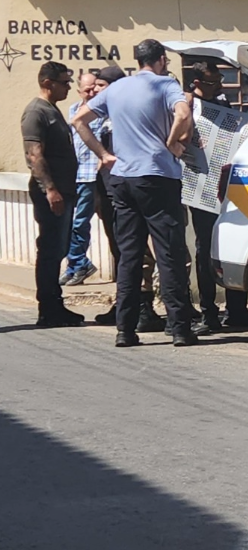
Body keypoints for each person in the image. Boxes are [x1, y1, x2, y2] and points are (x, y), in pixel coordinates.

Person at [72, 40, 196, 348]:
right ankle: (180, 328)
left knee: (129, 255)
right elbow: (183, 113)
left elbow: (78, 120)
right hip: (157, 176)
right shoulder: (165, 85)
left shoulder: (116, 88)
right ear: (162, 60)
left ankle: (125, 330)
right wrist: (171, 142)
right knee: (169, 253)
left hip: (122, 178)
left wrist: (103, 154)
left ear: (138, 60)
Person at [23, 62, 114, 327]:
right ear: (48, 83)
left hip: (65, 189)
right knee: (51, 249)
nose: (68, 87)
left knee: (59, 247)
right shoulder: (36, 112)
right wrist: (50, 189)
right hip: (52, 192)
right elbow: (34, 155)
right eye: (64, 82)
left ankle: (54, 304)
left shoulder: (52, 110)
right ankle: (49, 308)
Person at [89, 66, 167, 332]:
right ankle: (126, 307)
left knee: (141, 253)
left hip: (132, 189)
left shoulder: (126, 115)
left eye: (100, 86)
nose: (95, 91)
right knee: (123, 253)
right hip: (111, 191)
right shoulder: (104, 116)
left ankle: (144, 308)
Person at [185, 61, 248, 334]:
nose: (219, 87)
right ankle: (209, 312)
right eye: (212, 83)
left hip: (227, 186)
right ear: (197, 83)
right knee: (205, 248)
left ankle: (237, 310)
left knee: (232, 244)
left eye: (220, 81)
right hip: (201, 188)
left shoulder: (224, 105)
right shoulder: (187, 107)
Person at [60, 73, 103, 287]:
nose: (92, 92)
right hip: (76, 174)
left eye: (95, 87)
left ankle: (78, 264)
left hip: (92, 175)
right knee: (69, 223)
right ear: (79, 92)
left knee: (79, 223)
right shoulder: (73, 110)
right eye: (87, 90)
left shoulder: (103, 111)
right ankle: (76, 264)